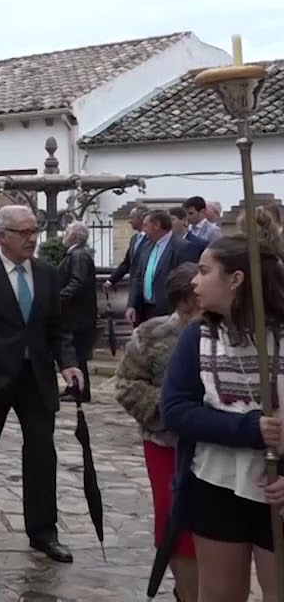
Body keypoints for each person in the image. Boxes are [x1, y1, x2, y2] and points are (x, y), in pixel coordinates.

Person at [0, 205, 82, 564]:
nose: (32, 239)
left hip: (35, 376)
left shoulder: (48, 274)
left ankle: (43, 531)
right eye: (23, 232)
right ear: (1, 236)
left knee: (41, 450)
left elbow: (57, 327)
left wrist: (68, 363)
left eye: (34, 231)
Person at [163, 230, 284, 602]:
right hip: (216, 484)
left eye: (204, 271)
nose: (195, 281)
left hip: (277, 490)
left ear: (236, 279)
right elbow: (176, 411)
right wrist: (248, 429)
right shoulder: (196, 338)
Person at [114, 262, 200, 602]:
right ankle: (186, 590)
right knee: (172, 516)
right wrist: (170, 411)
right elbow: (125, 384)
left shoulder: (228, 334)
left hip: (215, 445)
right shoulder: (152, 334)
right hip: (165, 444)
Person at [58, 221, 98, 402]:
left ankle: (80, 390)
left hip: (78, 314)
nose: (63, 235)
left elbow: (77, 282)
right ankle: (75, 386)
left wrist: (58, 298)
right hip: (77, 313)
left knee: (77, 352)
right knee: (74, 352)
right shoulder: (75, 254)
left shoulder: (79, 255)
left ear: (74, 235)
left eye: (66, 231)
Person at [128, 209, 189, 326]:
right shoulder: (145, 246)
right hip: (144, 310)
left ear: (157, 225)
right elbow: (137, 277)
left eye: (146, 225)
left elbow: (184, 281)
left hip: (167, 312)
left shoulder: (181, 248)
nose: (143, 229)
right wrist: (131, 305)